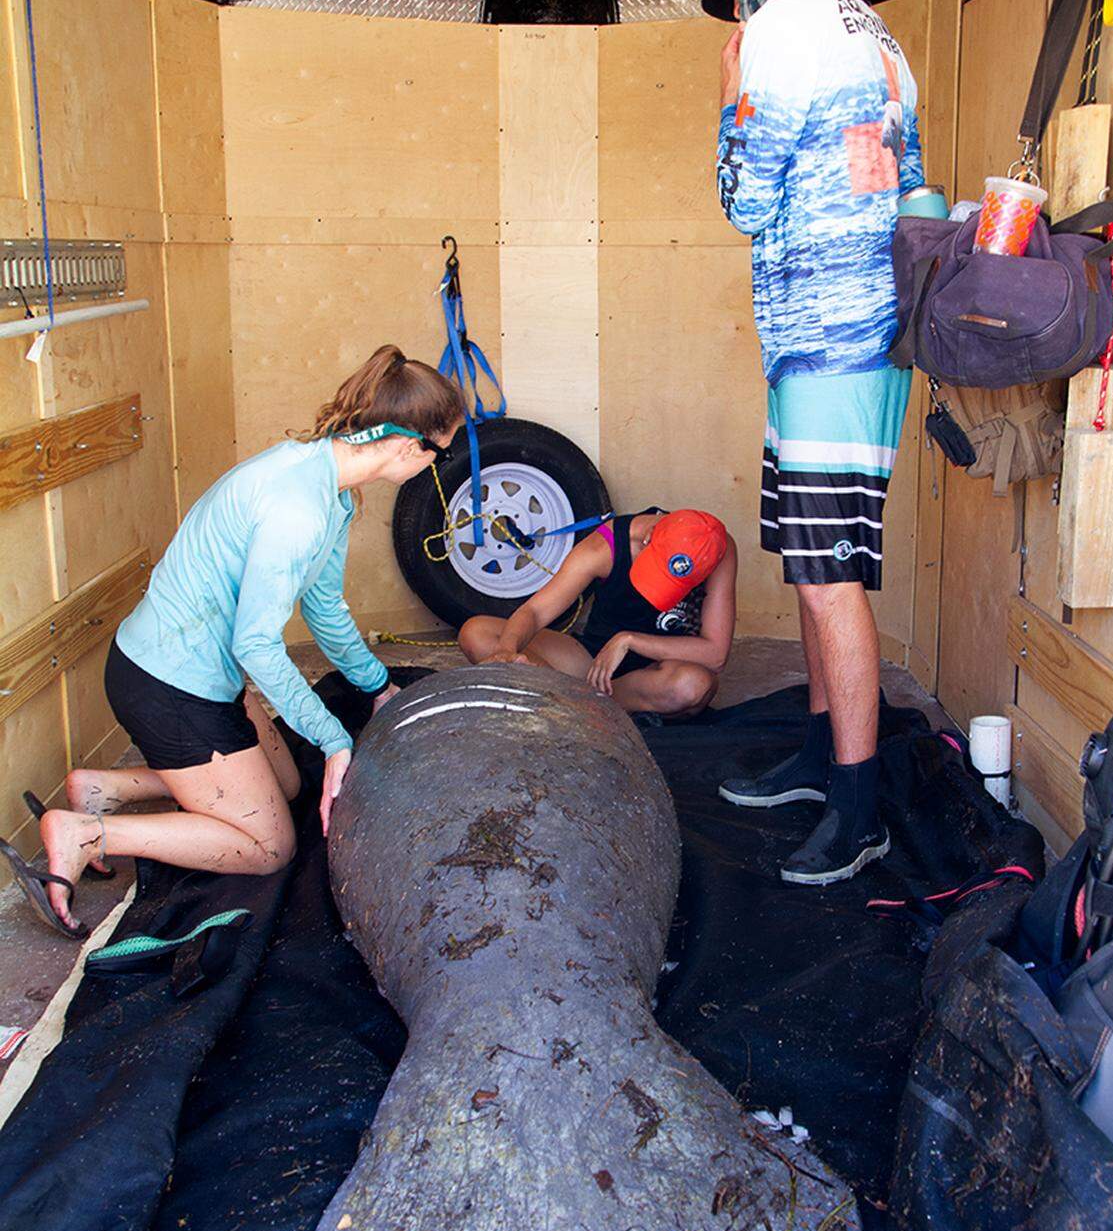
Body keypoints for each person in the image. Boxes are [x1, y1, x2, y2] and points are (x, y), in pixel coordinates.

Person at [4, 346, 465, 937]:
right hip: (170, 687)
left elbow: (323, 607)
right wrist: (332, 739)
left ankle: (100, 790)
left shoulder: (332, 489)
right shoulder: (296, 509)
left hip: (204, 674)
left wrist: (379, 687)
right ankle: (87, 832)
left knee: (289, 785)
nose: (434, 467)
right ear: (407, 445)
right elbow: (256, 644)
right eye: (438, 454)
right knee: (270, 846)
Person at [704, 0, 923, 886]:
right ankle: (821, 746)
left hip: (831, 338)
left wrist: (728, 89)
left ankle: (859, 806)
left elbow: (746, 199)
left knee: (828, 573)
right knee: (808, 556)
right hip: (849, 334)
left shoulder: (778, 32)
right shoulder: (866, 25)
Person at [459, 508, 736, 716]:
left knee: (693, 686)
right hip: (589, 663)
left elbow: (716, 655)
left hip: (656, 672)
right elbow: (535, 611)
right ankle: (582, 703)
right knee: (477, 633)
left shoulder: (716, 551)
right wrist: (508, 650)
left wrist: (628, 641)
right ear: (649, 538)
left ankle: (573, 705)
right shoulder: (604, 546)